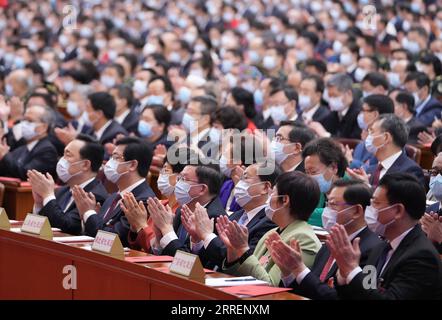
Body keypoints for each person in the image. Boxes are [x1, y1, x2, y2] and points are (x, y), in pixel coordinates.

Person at [329, 173, 442, 300]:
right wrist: (343, 276)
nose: (369, 209)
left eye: (376, 203)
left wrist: (352, 270)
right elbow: (365, 292)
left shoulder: (422, 256)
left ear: (398, 210)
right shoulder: (381, 248)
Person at [270, 179, 382, 300]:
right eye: (327, 203)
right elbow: (310, 289)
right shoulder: (329, 244)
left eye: (333, 204)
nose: (326, 211)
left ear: (356, 211)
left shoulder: (373, 250)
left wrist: (299, 269)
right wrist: (288, 273)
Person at [221, 171, 322, 286]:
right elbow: (241, 278)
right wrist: (233, 251)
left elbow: (271, 287)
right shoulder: (272, 232)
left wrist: (243, 249)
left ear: (284, 200)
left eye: (273, 192)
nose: (268, 198)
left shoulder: (304, 239)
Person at [187, 162, 279, 269]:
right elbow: (207, 259)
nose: (239, 184)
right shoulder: (236, 215)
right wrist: (197, 239)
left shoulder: (270, 222)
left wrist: (207, 235)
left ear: (265, 187)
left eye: (245, 178)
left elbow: (241, 263)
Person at [72, 137, 155, 246]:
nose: (109, 163)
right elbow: (97, 231)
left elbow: (113, 239)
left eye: (116, 157)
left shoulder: (142, 201)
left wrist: (89, 213)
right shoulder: (113, 197)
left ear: (132, 165)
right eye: (111, 157)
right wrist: (90, 217)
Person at [28, 135, 108, 235]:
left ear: (85, 165)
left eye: (68, 155)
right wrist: (39, 204)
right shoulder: (62, 191)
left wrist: (48, 196)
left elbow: (68, 228)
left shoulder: (95, 196)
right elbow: (35, 228)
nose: (62, 160)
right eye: (63, 154)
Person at [148, 162, 226, 259]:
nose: (178, 183)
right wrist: (159, 237)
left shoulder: (214, 218)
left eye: (184, 179)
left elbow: (187, 262)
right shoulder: (182, 209)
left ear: (202, 189)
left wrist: (167, 230)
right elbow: (163, 256)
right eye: (179, 178)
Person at [347, 114, 425, 188]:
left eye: (372, 132)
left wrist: (367, 187)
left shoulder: (410, 171)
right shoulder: (370, 170)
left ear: (386, 137)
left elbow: (397, 199)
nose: (368, 136)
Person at [0, 105, 57, 180]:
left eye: (29, 121)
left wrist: (5, 155)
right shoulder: (22, 148)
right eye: (24, 120)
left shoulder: (47, 150)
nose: (23, 124)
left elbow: (26, 174)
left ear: (43, 127)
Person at [302, 138, 349, 227]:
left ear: (333, 167)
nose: (309, 177)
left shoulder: (351, 188)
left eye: (313, 172)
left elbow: (335, 215)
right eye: (307, 172)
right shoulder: (316, 188)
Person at [309, 73, 361, 139]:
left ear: (348, 93)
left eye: (335, 96)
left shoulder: (359, 114)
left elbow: (352, 142)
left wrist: (325, 135)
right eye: (329, 96)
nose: (331, 100)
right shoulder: (335, 113)